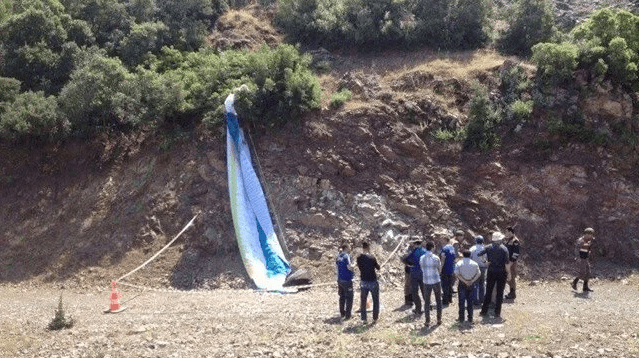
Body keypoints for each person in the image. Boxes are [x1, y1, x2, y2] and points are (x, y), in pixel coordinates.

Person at [479, 232, 510, 319]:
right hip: (501, 272)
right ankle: (497, 313)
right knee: (500, 293)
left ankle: (484, 311)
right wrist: (509, 274)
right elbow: (506, 263)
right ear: (500, 239)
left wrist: (485, 262)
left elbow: (479, 254)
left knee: (488, 291)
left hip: (491, 271)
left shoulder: (488, 247)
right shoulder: (504, 249)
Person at [419, 241, 443, 327]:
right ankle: (439, 319)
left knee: (427, 301)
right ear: (432, 247)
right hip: (436, 280)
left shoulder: (422, 258)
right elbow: (439, 270)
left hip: (426, 281)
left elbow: (422, 269)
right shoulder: (436, 258)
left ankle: (427, 321)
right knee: (438, 300)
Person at [454, 250, 481, 323]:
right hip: (471, 284)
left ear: (463, 255)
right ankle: (470, 318)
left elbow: (456, 274)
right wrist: (472, 281)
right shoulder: (475, 264)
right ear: (470, 255)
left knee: (461, 302)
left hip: (462, 283)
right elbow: (478, 273)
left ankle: (461, 318)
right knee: (470, 302)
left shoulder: (459, 263)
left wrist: (464, 281)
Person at [357, 241, 381, 323]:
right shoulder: (372, 257)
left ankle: (364, 319)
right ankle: (375, 318)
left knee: (363, 301)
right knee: (375, 300)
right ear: (368, 247)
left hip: (363, 281)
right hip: (373, 281)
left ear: (362, 247)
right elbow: (378, 267)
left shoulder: (358, 258)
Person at [402, 239, 427, 315]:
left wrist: (408, 264)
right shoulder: (425, 251)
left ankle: (418, 308)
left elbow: (405, 259)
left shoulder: (413, 251)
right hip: (424, 273)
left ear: (415, 244)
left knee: (415, 292)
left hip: (414, 273)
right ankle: (428, 307)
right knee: (424, 291)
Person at [571, 228, 595, 292]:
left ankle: (585, 287)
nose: (591, 236)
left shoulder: (589, 240)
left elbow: (589, 248)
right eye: (590, 235)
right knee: (582, 272)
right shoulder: (581, 240)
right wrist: (578, 257)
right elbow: (576, 249)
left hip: (585, 257)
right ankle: (574, 283)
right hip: (581, 258)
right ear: (586, 234)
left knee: (588, 272)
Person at [336, 243, 354, 320]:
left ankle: (342, 313)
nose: (350, 249)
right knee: (349, 297)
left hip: (340, 280)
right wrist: (354, 265)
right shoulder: (347, 256)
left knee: (342, 297)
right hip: (347, 280)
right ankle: (348, 315)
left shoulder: (338, 256)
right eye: (349, 247)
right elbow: (350, 266)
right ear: (346, 248)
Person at [469, 235, 487, 306]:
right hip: (482, 267)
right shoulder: (485, 248)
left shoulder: (472, 248)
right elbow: (487, 258)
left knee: (474, 284)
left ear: (476, 241)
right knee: (482, 283)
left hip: (474, 268)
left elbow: (469, 258)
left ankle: (475, 300)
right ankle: (481, 299)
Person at [440, 237, 458, 305]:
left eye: (442, 239)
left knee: (445, 285)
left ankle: (445, 300)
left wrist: (440, 269)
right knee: (450, 284)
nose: (441, 240)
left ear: (445, 240)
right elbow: (454, 257)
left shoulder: (444, 248)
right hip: (451, 268)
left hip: (445, 268)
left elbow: (442, 259)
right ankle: (450, 299)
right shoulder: (452, 248)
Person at [504, 227, 521, 299]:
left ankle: (512, 293)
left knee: (512, 278)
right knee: (507, 277)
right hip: (507, 262)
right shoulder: (508, 240)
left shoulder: (515, 241)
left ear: (510, 232)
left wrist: (511, 262)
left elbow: (516, 253)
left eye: (507, 232)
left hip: (512, 263)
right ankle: (510, 292)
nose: (506, 233)